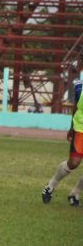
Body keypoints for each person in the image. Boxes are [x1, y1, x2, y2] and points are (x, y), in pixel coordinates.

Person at [41, 79, 83, 207]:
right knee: (73, 163)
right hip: (80, 128)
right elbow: (76, 106)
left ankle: (75, 193)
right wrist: (71, 127)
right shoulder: (79, 86)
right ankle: (51, 185)